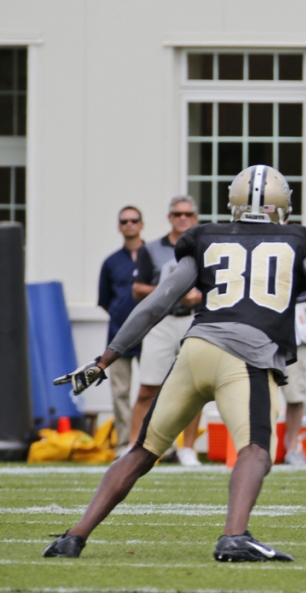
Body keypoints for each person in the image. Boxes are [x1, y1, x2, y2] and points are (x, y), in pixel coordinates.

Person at [46, 165, 306, 562]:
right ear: (283, 205)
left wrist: (105, 359)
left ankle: (73, 537)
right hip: (246, 356)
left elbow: (158, 302)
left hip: (195, 349)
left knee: (141, 450)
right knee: (257, 450)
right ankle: (234, 536)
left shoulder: (204, 238)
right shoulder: (298, 241)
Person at [130, 195, 204, 466]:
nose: (182, 218)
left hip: (193, 319)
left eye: (187, 214)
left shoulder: (205, 247)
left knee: (194, 388)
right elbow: (137, 289)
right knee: (148, 387)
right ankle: (133, 446)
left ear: (195, 217)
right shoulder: (152, 249)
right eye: (177, 214)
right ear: (170, 218)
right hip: (162, 320)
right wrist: (173, 292)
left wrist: (197, 297)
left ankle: (188, 448)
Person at [97, 205, 145, 457]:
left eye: (134, 220)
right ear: (119, 226)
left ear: (142, 224)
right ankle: (125, 444)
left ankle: (156, 444)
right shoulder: (111, 262)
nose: (129, 224)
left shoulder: (154, 255)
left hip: (152, 334)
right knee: (120, 392)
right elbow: (105, 301)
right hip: (118, 336)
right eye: (124, 221)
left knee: (153, 389)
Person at [280, 286, 306, 466]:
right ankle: (260, 447)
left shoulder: (302, 258)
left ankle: (293, 447)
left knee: (295, 395)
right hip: (267, 325)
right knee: (261, 394)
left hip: (297, 330)